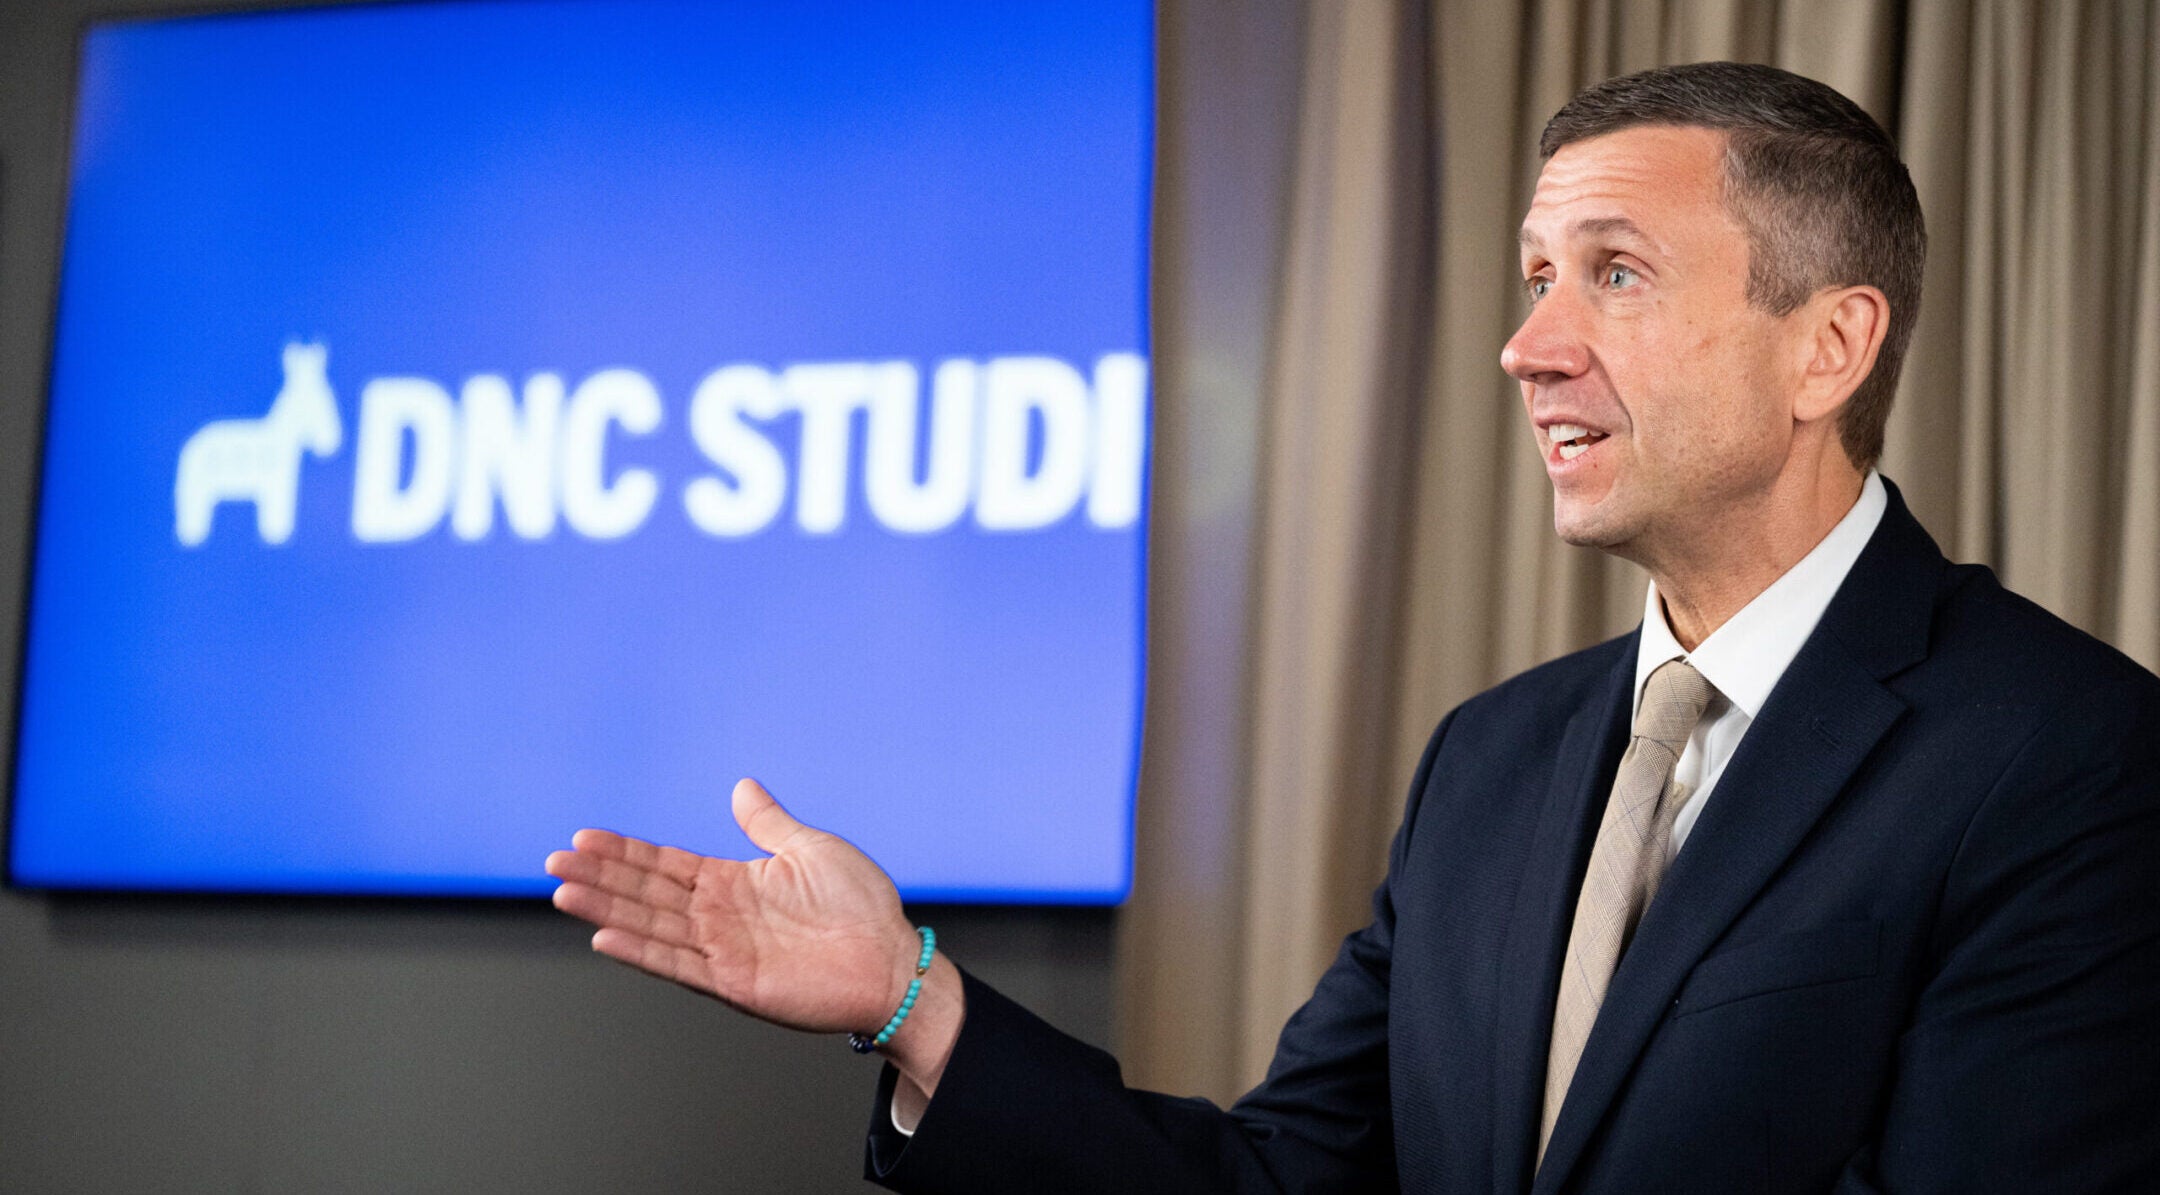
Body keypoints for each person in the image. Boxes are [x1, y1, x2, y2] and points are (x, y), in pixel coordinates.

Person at [545, 62, 2160, 1192]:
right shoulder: (1493, 760)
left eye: (1614, 274)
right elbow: (1279, 1181)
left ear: (1830, 348)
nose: (1530, 346)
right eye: (1534, 276)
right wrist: (917, 1003)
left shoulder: (2070, 759)